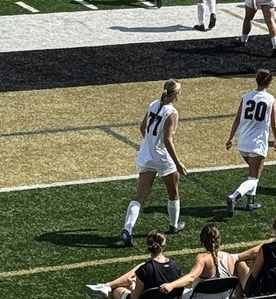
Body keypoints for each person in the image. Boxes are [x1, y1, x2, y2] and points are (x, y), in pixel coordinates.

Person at [120, 80, 188, 247]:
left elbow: (142, 127)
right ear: (175, 94)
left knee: (140, 196)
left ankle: (127, 229)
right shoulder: (172, 112)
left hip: (147, 155)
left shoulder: (153, 104)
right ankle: (174, 225)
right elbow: (167, 139)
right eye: (179, 91)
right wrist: (177, 162)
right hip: (163, 158)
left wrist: (150, 144)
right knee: (173, 192)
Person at [226, 68, 276, 214]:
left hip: (243, 142)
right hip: (257, 143)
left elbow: (237, 120)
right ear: (269, 83)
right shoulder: (271, 100)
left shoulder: (246, 97)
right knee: (254, 178)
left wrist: (230, 138)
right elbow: (274, 124)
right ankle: (234, 196)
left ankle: (251, 202)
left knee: (252, 174)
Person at [159, 224, 255, 299]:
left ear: (202, 241)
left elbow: (191, 277)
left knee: (182, 290)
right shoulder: (230, 258)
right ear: (219, 240)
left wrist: (171, 285)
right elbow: (253, 252)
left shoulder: (202, 258)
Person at [86, 230, 180, 299]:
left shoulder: (145, 269)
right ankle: (106, 286)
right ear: (164, 246)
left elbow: (134, 297)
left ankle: (107, 286)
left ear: (148, 246)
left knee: (117, 291)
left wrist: (132, 284)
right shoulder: (175, 265)